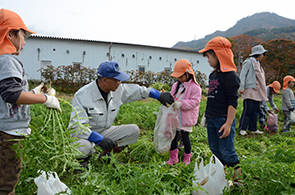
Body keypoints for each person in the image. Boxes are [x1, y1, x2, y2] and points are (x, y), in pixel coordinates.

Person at [68, 61, 175, 168]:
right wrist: (99, 139)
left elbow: (138, 91)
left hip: (103, 131)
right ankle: (81, 163)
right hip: (83, 136)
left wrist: (158, 95)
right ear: (105, 80)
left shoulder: (118, 90)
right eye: (117, 80)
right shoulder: (82, 96)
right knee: (84, 147)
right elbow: (77, 128)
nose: (120, 83)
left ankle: (107, 156)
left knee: (133, 131)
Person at [0, 9, 61, 194]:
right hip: (8, 134)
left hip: (5, 131)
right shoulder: (7, 60)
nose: (25, 42)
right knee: (7, 182)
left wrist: (32, 92)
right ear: (10, 34)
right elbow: (11, 94)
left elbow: (9, 93)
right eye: (23, 35)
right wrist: (45, 99)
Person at [198, 36, 241, 183]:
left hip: (223, 119)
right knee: (215, 151)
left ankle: (237, 181)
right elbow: (211, 98)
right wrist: (206, 116)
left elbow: (232, 102)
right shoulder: (212, 75)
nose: (208, 60)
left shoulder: (231, 76)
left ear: (218, 55)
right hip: (211, 118)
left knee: (227, 151)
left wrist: (229, 123)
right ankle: (222, 179)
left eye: (209, 56)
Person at [166, 59, 201, 166]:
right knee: (173, 137)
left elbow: (195, 102)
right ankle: (173, 158)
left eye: (181, 76)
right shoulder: (176, 85)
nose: (179, 79)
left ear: (188, 73)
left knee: (185, 138)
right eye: (177, 76)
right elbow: (172, 96)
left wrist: (181, 104)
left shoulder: (195, 87)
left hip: (186, 117)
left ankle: (187, 159)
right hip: (175, 116)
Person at [239, 45, 268, 136]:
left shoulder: (258, 64)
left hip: (258, 91)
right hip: (250, 90)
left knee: (256, 110)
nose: (263, 55)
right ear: (258, 54)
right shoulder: (248, 62)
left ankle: (253, 128)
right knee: (248, 110)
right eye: (262, 54)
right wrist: (241, 87)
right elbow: (242, 75)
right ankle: (243, 129)